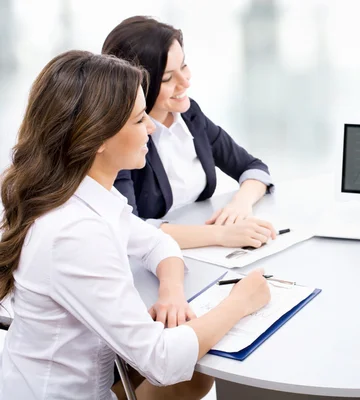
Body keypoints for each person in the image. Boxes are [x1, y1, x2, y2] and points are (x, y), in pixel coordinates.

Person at [0, 50, 271, 400]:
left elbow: (157, 242)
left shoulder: (85, 194)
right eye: (139, 118)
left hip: (83, 376)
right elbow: (161, 360)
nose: (152, 127)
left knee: (196, 377)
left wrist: (170, 292)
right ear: (97, 137)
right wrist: (241, 301)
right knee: (190, 371)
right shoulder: (74, 232)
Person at [102, 16, 276, 250]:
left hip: (205, 252)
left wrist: (241, 204)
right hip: (154, 258)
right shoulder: (123, 139)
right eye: (167, 78)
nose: (185, 82)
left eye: (183, 66)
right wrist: (218, 235)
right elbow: (132, 229)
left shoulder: (190, 116)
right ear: (135, 86)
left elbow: (253, 168)